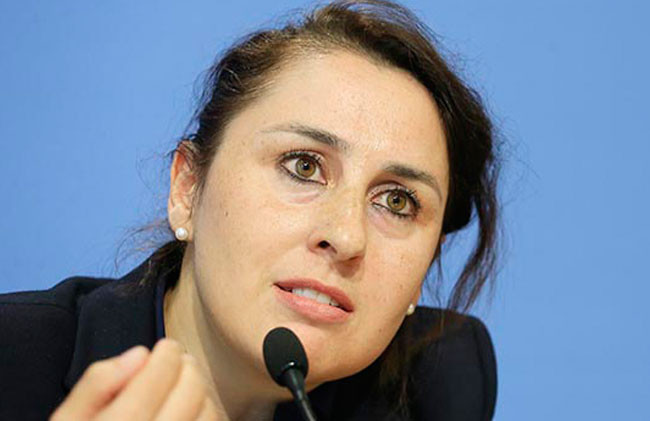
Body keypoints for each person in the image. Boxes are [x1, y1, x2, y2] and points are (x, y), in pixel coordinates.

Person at [0, 1, 501, 419]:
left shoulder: (442, 383)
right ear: (187, 189)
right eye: (304, 166)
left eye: (397, 201)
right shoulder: (14, 362)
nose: (347, 236)